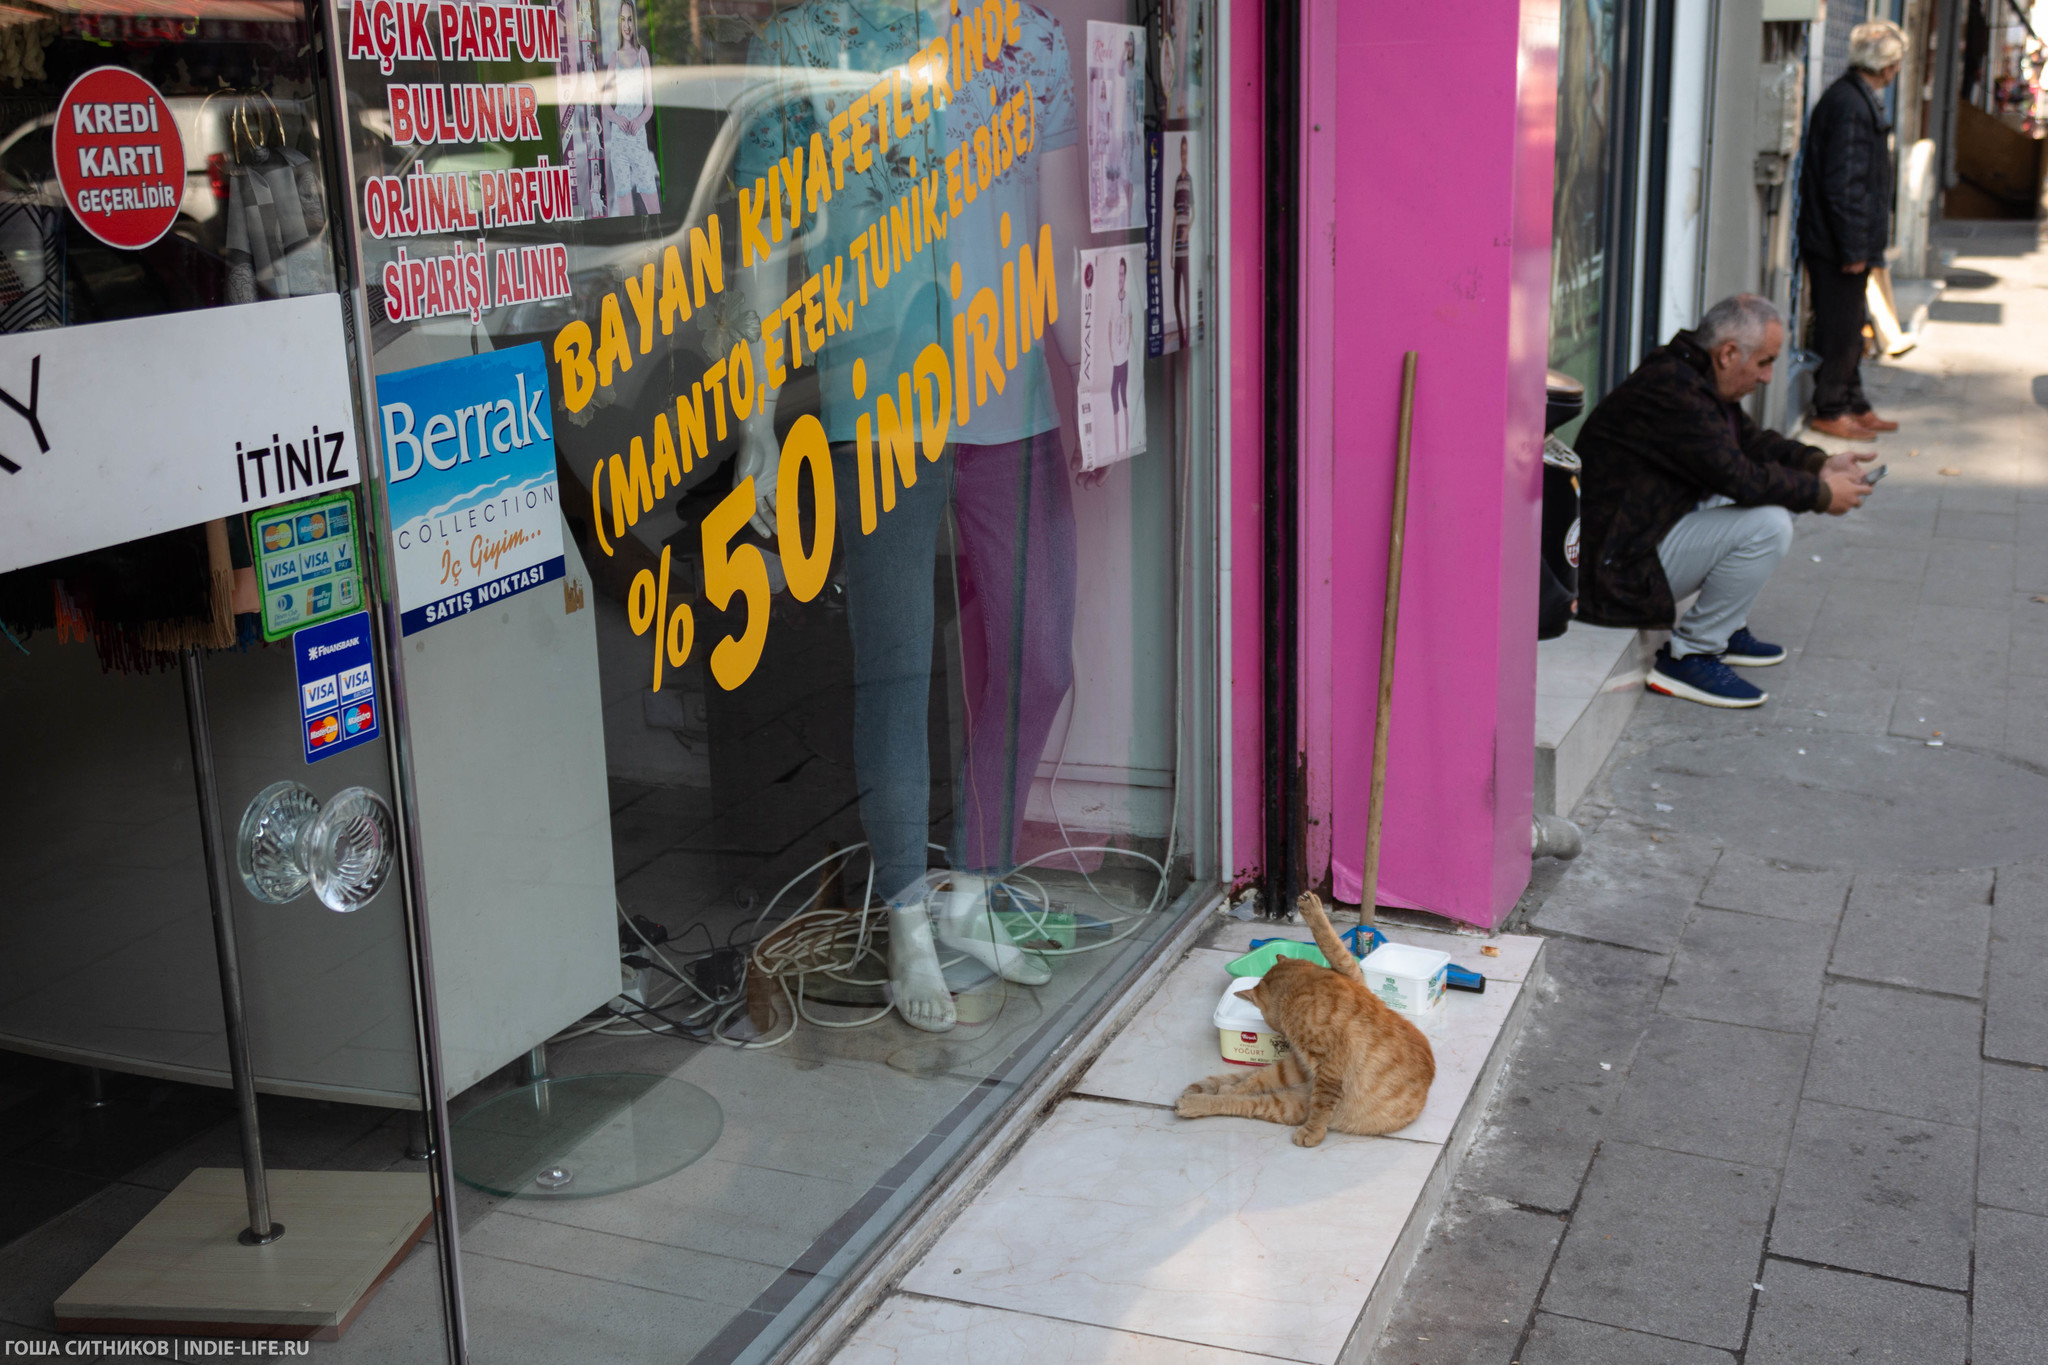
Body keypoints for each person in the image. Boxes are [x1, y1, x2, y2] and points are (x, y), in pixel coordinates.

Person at [1575, 294, 1875, 709]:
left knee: (1783, 494)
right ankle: (1690, 655)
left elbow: (1749, 444)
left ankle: (1726, 625)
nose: (1769, 376)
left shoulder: (1693, 374)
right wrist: (1822, 495)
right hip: (1613, 571)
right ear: (1729, 353)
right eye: (1765, 362)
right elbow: (1740, 478)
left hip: (1637, 538)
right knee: (1769, 521)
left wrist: (1818, 464)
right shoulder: (1674, 392)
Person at [1798, 20, 1908, 438]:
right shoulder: (1849, 104)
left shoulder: (1858, 98)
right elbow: (1843, 185)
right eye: (1896, 60)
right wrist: (1852, 249)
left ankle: (1853, 402)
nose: (1898, 68)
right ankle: (1830, 408)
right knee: (1841, 328)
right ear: (1885, 63)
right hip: (1837, 245)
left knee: (1852, 324)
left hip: (1845, 241)